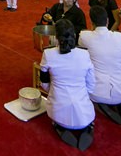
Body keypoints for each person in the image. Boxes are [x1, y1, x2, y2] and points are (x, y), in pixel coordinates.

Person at [39, 19, 96, 151]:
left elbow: (44, 83)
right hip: (85, 112)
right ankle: (87, 126)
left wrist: (53, 92)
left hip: (58, 111)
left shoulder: (48, 54)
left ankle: (59, 125)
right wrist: (81, 94)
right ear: (74, 36)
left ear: (56, 37)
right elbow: (91, 84)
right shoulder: (84, 54)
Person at [79, 6, 121, 126]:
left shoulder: (84, 36)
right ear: (107, 21)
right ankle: (118, 107)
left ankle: (106, 108)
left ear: (92, 22)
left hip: (96, 90)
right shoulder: (120, 37)